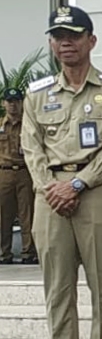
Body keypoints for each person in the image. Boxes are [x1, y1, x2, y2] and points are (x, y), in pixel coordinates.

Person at [20, 6, 102, 339]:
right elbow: (30, 145)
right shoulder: (37, 95)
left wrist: (79, 183)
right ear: (51, 43)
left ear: (91, 41)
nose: (66, 42)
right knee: (58, 284)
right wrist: (51, 187)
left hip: (95, 189)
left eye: (74, 35)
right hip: (49, 194)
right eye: (58, 36)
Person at [0, 86, 37, 264]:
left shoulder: (29, 124)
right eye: (9, 102)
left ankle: (28, 253)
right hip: (4, 173)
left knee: (27, 214)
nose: (12, 105)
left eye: (16, 102)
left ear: (22, 103)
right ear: (3, 103)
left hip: (25, 172)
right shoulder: (0, 124)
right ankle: (3, 253)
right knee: (2, 215)